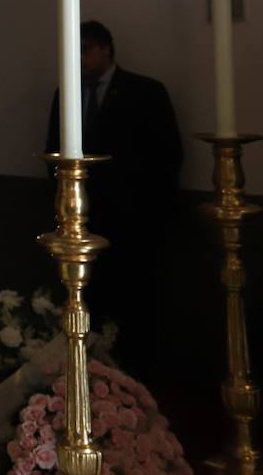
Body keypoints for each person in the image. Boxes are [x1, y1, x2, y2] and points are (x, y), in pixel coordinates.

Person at [45, 20, 182, 375]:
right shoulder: (67, 94)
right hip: (82, 220)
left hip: (133, 222)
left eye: (86, 49)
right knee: (89, 304)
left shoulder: (145, 92)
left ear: (106, 49)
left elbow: (167, 156)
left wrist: (149, 213)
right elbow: (52, 153)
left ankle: (137, 379)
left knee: (134, 306)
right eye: (74, 51)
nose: (79, 58)